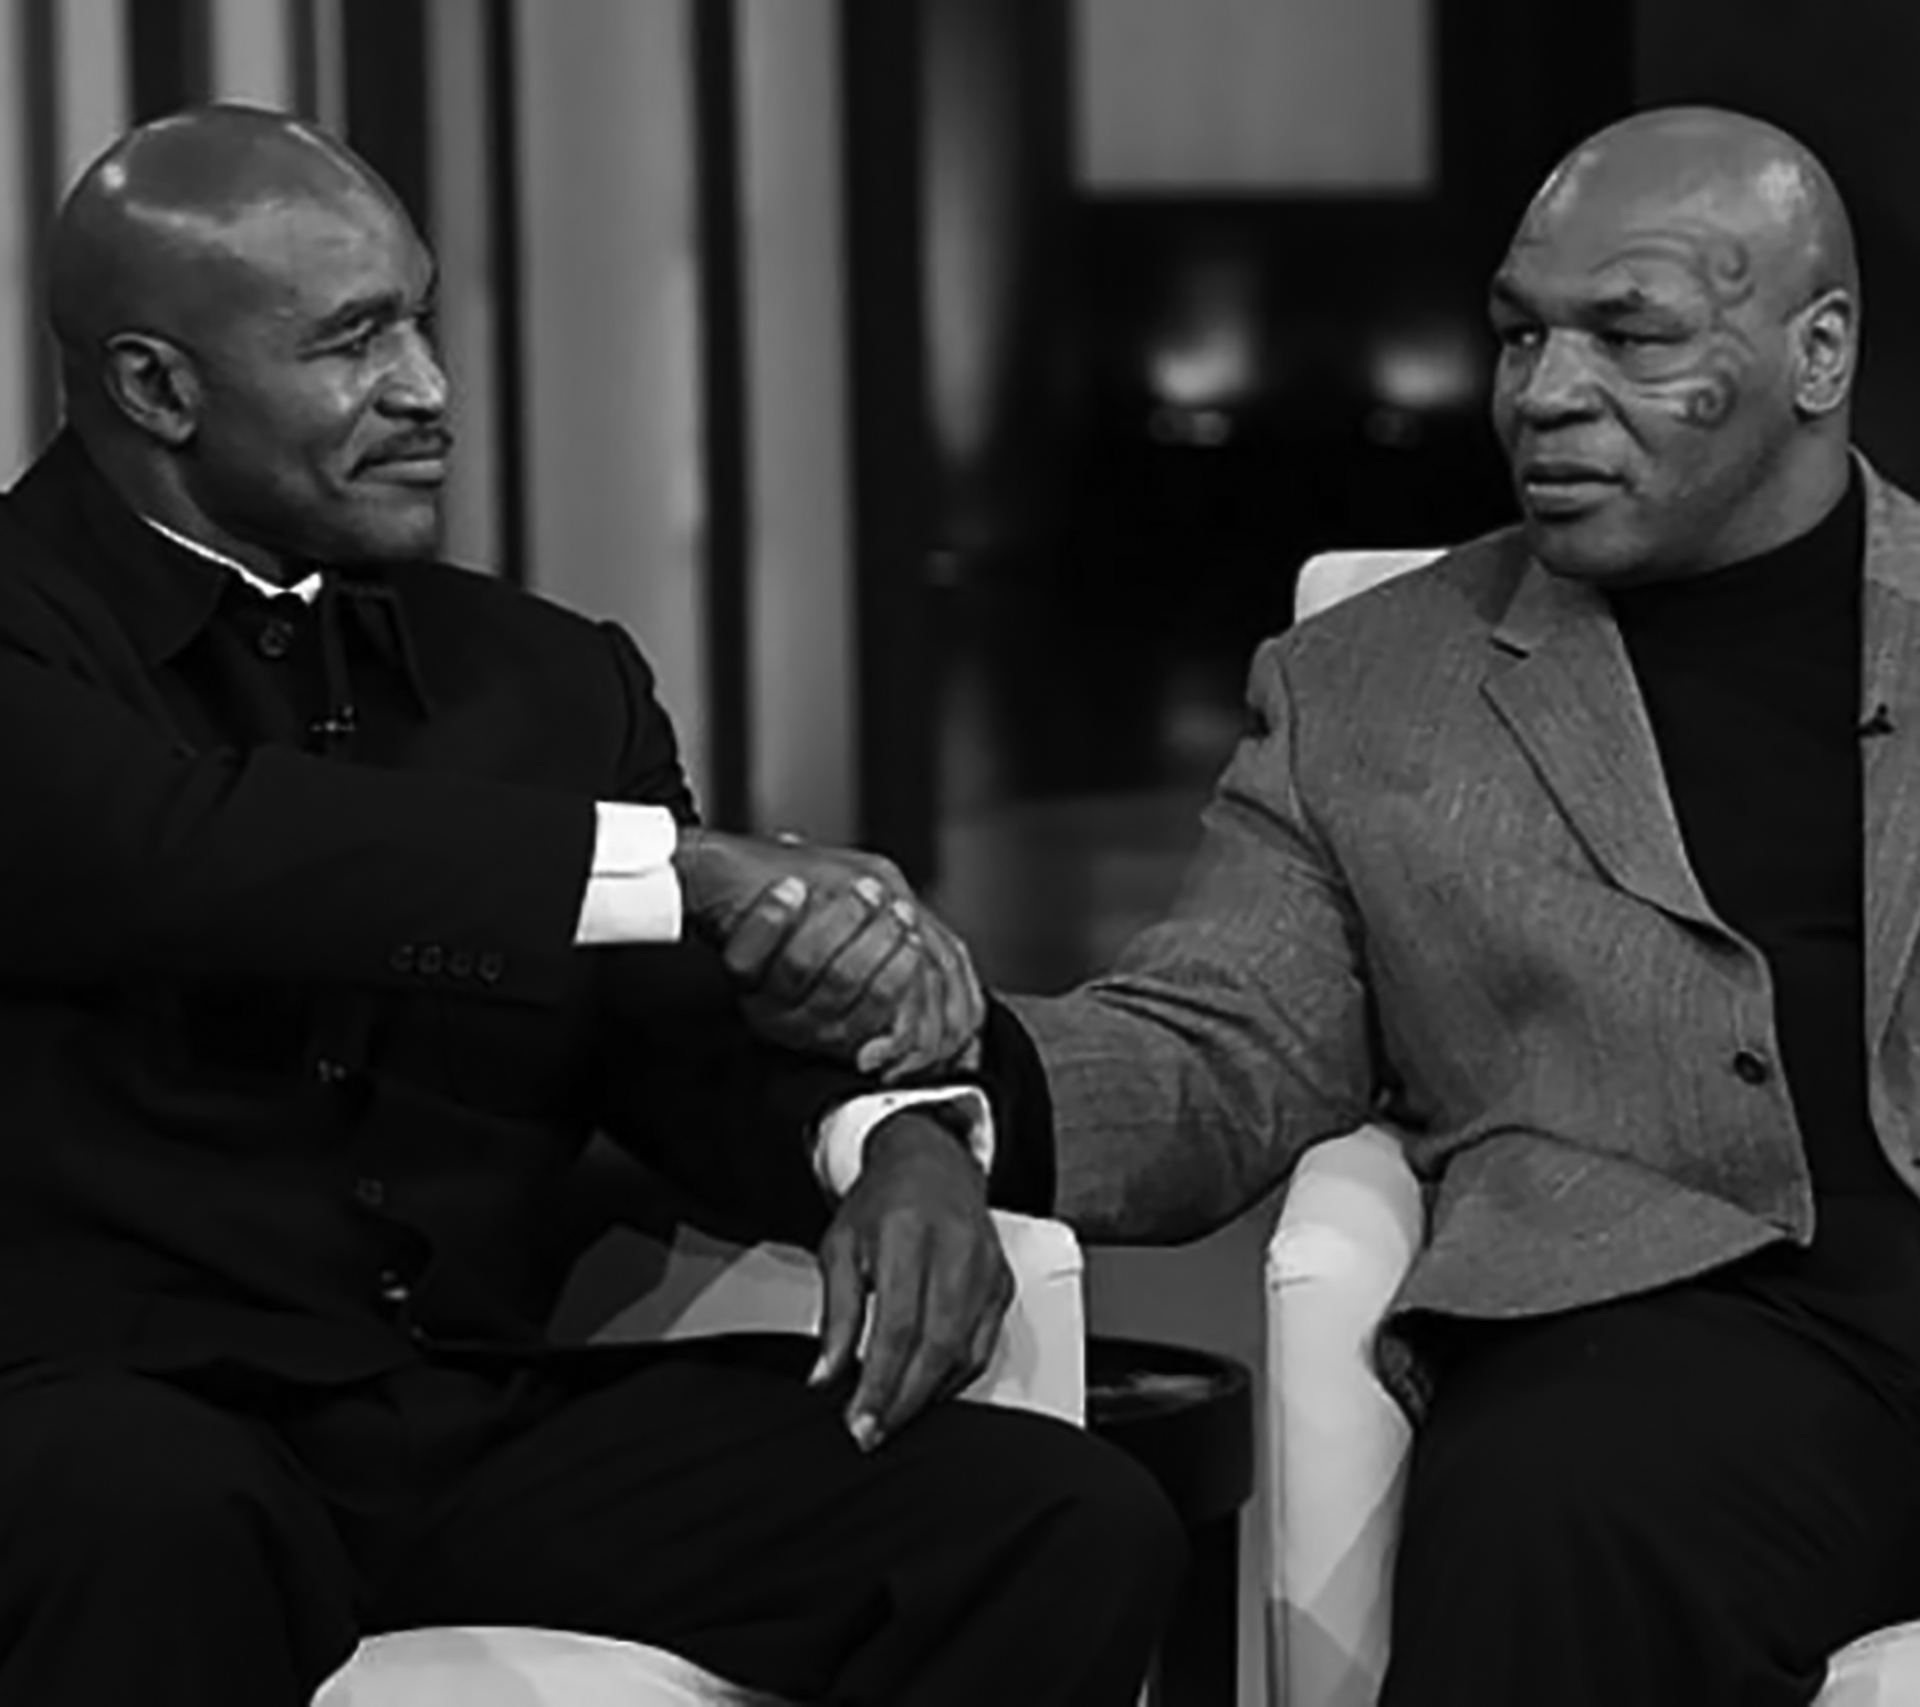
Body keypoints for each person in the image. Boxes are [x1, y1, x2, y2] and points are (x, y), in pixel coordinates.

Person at [0, 103, 1182, 1707]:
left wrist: (896, 1143)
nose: (428, 389)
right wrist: (675, 869)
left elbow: (682, 1043)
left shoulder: (549, 678)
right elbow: (185, 852)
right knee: (153, 1515)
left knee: (1055, 1518)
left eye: (421, 319)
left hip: (452, 1417)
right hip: (92, 1412)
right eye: (353, 341)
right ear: (155, 386)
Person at [751, 103, 1920, 1704]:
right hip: (1657, 1333)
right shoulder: (1368, 689)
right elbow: (1216, 1047)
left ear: (1819, 352)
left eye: (1630, 336)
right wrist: (943, 1093)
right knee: (1552, 1512)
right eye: (1521, 335)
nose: (1545, 393)